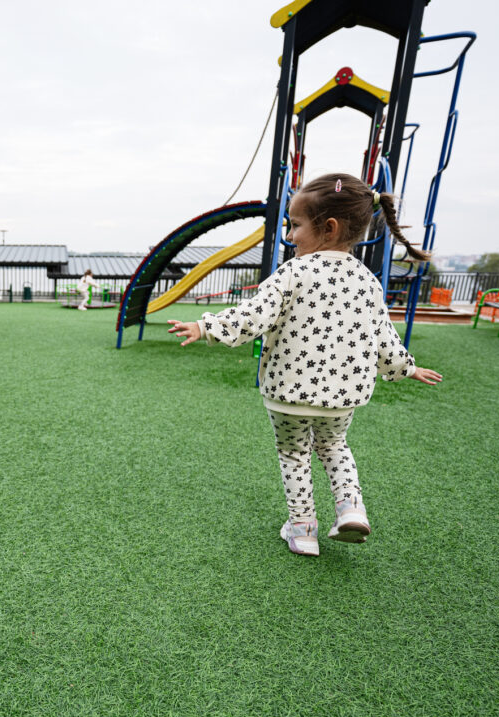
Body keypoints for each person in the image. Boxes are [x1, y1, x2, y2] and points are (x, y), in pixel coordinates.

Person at [167, 173, 443, 557]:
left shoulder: (293, 273)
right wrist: (407, 367)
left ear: (328, 228)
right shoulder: (367, 282)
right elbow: (384, 336)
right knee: (334, 445)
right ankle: (350, 508)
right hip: (344, 396)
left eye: (296, 225)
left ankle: (303, 530)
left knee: (294, 453)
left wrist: (205, 325)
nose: (291, 235)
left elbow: (253, 316)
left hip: (288, 392)